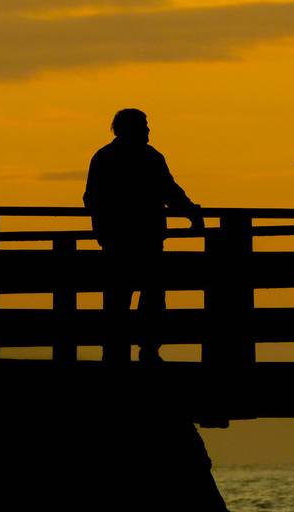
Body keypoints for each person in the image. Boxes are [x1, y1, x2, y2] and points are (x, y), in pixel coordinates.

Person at [83, 108, 203, 363]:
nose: (149, 130)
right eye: (144, 125)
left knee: (118, 300)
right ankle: (148, 351)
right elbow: (170, 192)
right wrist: (191, 212)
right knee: (151, 298)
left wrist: (104, 228)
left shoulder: (104, 157)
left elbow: (90, 199)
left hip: (117, 242)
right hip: (146, 241)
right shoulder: (150, 158)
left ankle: (115, 353)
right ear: (131, 128)